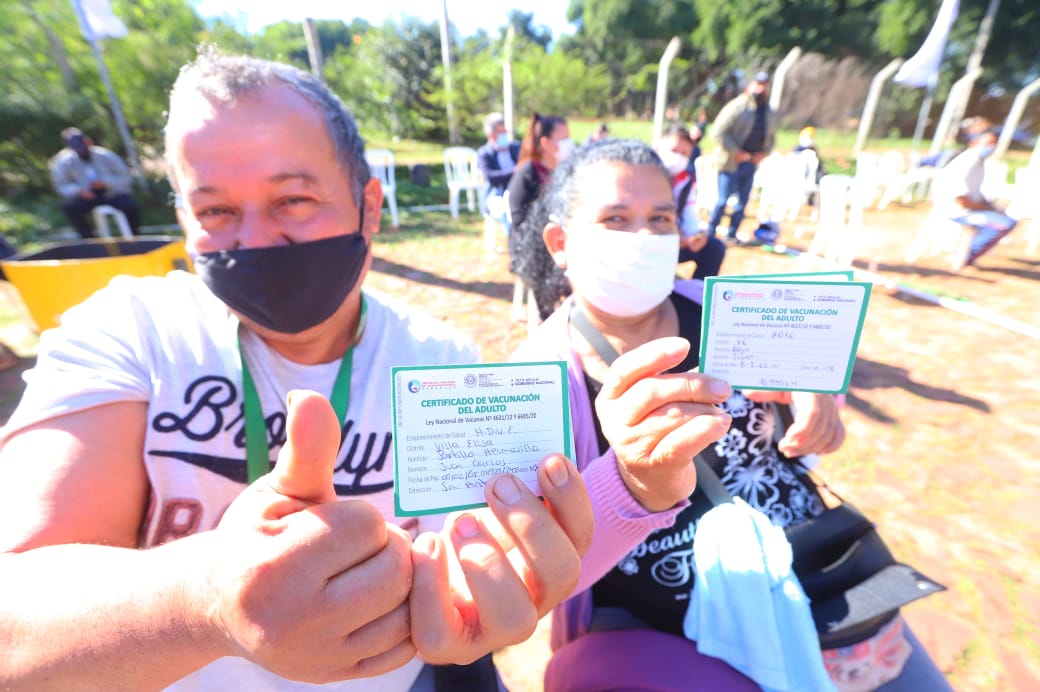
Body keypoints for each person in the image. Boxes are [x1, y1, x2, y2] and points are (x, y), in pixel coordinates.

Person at [0, 52, 600, 691]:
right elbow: (16, 621)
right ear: (183, 219)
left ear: (368, 206)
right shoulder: (128, 331)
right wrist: (207, 602)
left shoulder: (438, 361)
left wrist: (482, 589)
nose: (256, 241)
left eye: (293, 199)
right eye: (216, 212)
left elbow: (461, 561)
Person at [511, 138, 951, 692]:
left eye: (660, 217)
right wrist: (632, 484)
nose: (644, 237)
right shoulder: (539, 375)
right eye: (616, 218)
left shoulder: (731, 309)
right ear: (560, 242)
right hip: (655, 610)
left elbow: (809, 414)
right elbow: (550, 555)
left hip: (809, 568)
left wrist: (813, 400)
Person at [706, 71, 777, 243]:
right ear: (749, 86)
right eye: (758, 84)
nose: (761, 88)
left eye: (764, 84)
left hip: (751, 164)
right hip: (731, 162)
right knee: (723, 201)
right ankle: (710, 233)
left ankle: (731, 234)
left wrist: (763, 153)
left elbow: (771, 137)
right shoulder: (737, 106)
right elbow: (717, 133)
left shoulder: (769, 112)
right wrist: (737, 152)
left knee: (742, 203)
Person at [506, 112, 571, 295]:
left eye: (569, 138)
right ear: (545, 143)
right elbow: (518, 219)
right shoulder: (527, 173)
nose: (569, 144)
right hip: (531, 248)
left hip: (561, 240)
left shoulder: (564, 171)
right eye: (564, 139)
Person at [934, 129, 1017, 269]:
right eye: (988, 143)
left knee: (1006, 220)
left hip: (969, 208)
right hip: (959, 211)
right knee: (1003, 225)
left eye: (993, 144)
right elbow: (962, 199)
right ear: (974, 143)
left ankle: (967, 255)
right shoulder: (967, 163)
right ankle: (965, 256)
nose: (991, 148)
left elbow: (975, 193)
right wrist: (989, 209)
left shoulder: (978, 162)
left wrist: (992, 207)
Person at [657, 123, 726, 278]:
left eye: (684, 154)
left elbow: (688, 211)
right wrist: (672, 233)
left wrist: (694, 234)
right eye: (674, 151)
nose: (678, 158)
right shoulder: (643, 175)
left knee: (714, 248)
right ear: (660, 145)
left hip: (675, 239)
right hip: (650, 241)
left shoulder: (686, 180)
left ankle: (697, 296)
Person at [48, 127, 142, 238]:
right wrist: (79, 191)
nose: (81, 151)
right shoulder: (63, 162)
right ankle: (89, 239)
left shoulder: (106, 155)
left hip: (111, 194)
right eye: (77, 149)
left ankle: (134, 237)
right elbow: (61, 185)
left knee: (131, 207)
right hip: (87, 197)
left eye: (82, 147)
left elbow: (125, 176)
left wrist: (107, 183)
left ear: (88, 142)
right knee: (70, 208)